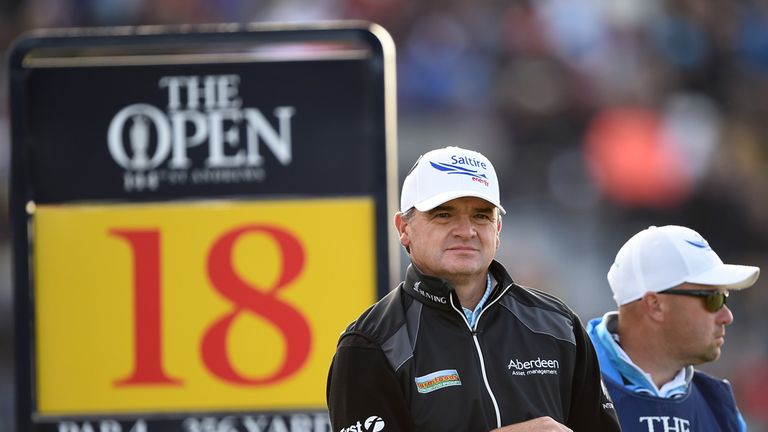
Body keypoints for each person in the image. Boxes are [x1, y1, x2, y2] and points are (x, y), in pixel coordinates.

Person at [326, 146, 620, 431]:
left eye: (481, 215)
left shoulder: (560, 325)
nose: (466, 231)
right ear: (404, 228)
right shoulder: (370, 343)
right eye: (444, 214)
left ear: (498, 229)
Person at [587, 225, 760, 431]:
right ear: (655, 305)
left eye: (726, 297)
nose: (727, 316)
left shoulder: (718, 406)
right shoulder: (566, 383)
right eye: (714, 299)